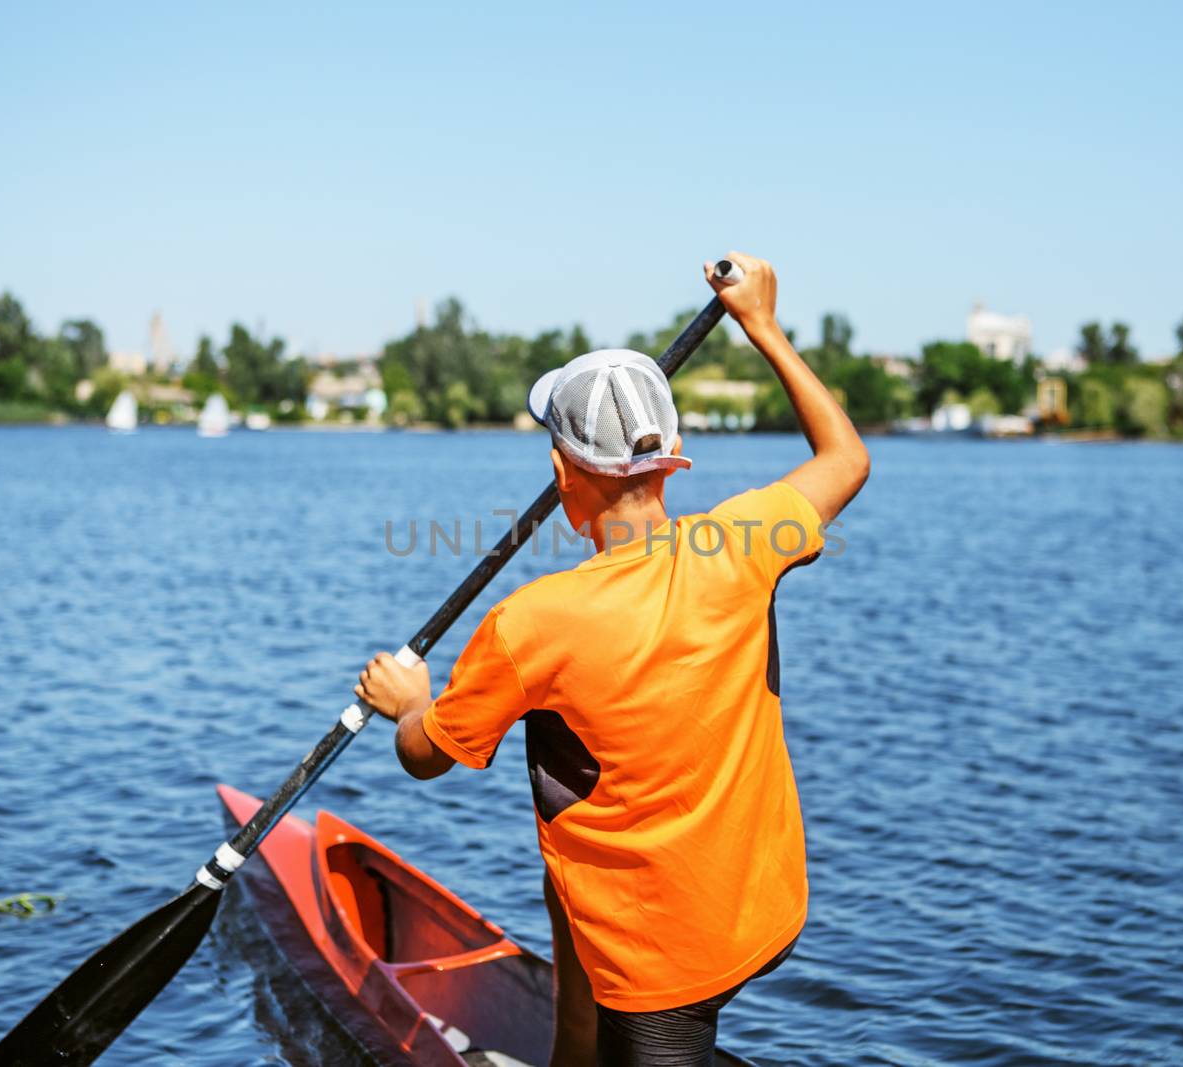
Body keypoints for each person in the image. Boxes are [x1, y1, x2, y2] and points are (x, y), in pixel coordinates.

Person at [356, 252, 869, 1066]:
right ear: (673, 455)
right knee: (569, 855)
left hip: (663, 963)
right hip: (764, 906)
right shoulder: (744, 543)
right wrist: (763, 326)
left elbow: (429, 756)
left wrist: (408, 702)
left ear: (563, 476)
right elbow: (846, 458)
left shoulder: (532, 623)